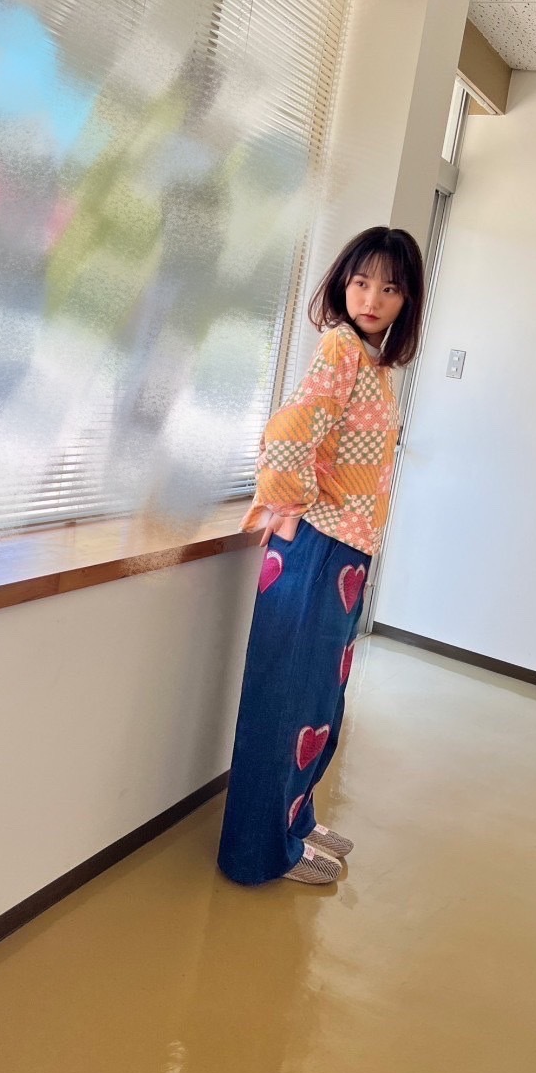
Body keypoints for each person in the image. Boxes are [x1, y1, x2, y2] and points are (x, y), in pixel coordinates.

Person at [217, 225, 426, 886]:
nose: (372, 299)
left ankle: (294, 819)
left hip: (345, 550)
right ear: (342, 284)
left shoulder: (373, 362)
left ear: (407, 300)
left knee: (317, 699)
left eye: (390, 289)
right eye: (361, 283)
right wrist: (291, 505)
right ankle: (260, 852)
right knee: (286, 701)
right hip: (316, 547)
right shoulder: (339, 346)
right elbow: (288, 434)